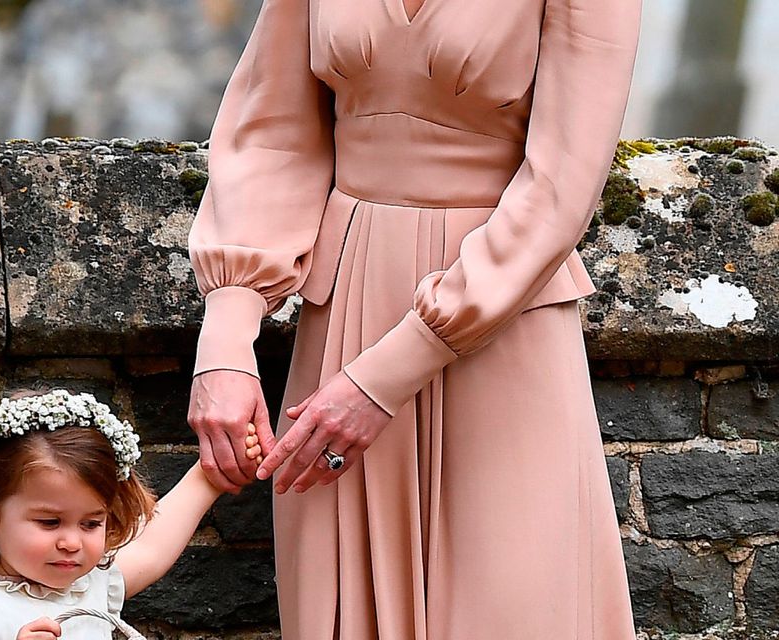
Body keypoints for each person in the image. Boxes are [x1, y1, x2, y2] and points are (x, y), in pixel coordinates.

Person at [186, 0, 643, 638]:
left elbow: (560, 188)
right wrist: (227, 339)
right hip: (342, 321)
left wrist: (386, 377)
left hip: (501, 332)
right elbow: (272, 130)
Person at [0, 388, 261, 640]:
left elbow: (151, 548)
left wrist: (212, 472)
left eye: (91, 523)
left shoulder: (90, 585)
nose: (72, 542)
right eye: (49, 522)